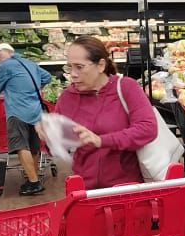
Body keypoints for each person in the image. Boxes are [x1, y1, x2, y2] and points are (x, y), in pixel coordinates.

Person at [51, 35, 159, 190]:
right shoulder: (67, 97)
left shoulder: (126, 88)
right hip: (85, 190)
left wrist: (102, 140)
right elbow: (59, 146)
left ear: (101, 65)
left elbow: (147, 128)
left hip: (127, 189)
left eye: (79, 67)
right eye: (69, 67)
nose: (73, 74)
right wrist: (49, 136)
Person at [0, 43, 54, 196]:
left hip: (17, 111)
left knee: (20, 145)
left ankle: (34, 182)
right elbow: (47, 77)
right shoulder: (29, 62)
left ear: (6, 52)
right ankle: (32, 176)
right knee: (33, 145)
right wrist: (31, 89)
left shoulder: (5, 66)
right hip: (35, 111)